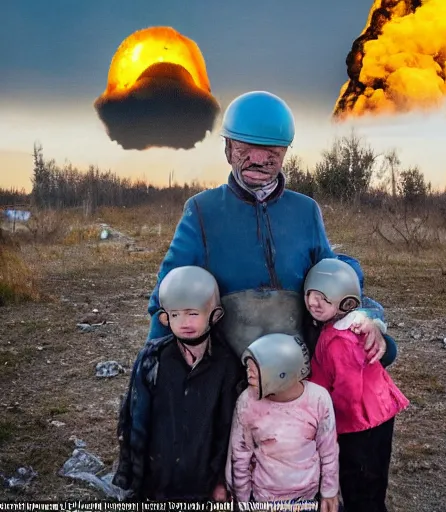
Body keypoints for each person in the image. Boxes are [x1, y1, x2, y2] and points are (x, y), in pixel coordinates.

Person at [146, 90, 396, 364]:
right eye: (244, 148)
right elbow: (169, 292)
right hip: (226, 366)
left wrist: (368, 320)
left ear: (285, 151)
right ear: (227, 149)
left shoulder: (306, 211)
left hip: (298, 366)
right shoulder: (202, 210)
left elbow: (335, 282)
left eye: (270, 151)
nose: (257, 159)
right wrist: (154, 360)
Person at [112, 266, 243, 501]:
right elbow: (135, 419)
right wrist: (133, 475)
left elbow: (227, 428)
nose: (183, 322)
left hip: (200, 480)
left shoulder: (226, 365)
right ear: (165, 318)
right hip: (158, 476)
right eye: (175, 315)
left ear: (215, 314)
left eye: (193, 313)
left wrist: (221, 481)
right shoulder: (152, 358)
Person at [305, 259, 410, 512]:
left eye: (324, 298)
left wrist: (330, 423)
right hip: (368, 415)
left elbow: (349, 392)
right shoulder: (336, 327)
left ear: (346, 302)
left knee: (362, 484)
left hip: (362, 422)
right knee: (364, 480)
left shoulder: (340, 340)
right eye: (310, 294)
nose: (314, 303)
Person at [226, 333, 339, 512]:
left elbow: (329, 449)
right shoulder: (247, 401)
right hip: (263, 499)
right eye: (248, 367)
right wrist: (242, 501)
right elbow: (240, 454)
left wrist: (329, 491)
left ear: (282, 371)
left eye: (255, 369)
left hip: (307, 498)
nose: (248, 374)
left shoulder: (318, 398)